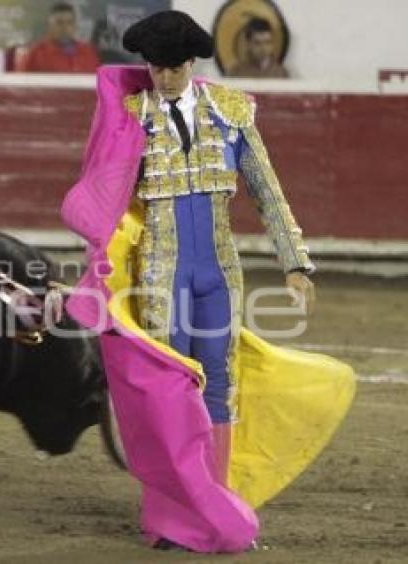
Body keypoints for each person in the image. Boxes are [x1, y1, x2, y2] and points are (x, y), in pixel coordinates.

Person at [58, 9, 354, 553]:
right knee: (173, 387)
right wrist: (94, 268)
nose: (163, 79)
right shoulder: (129, 117)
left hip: (218, 271)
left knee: (218, 382)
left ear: (191, 63)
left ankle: (215, 507)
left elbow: (268, 191)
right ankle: (171, 517)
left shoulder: (233, 112)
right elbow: (103, 200)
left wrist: (295, 263)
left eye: (172, 69)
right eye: (154, 68)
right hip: (161, 269)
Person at [25, 2, 100, 73]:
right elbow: (24, 83)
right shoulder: (37, 53)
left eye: (69, 22)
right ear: (50, 25)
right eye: (59, 23)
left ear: (75, 26)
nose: (65, 28)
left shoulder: (88, 51)